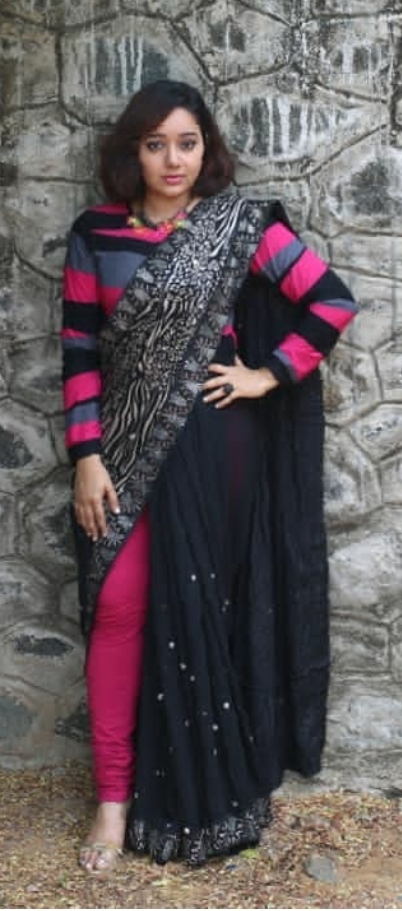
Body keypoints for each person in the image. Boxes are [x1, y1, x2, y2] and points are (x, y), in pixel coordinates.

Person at [62, 78, 358, 872]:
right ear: (132, 151)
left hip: (214, 444)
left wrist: (267, 373)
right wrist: (86, 457)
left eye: (186, 143)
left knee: (197, 603)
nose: (172, 159)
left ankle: (203, 782)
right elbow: (79, 351)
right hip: (119, 450)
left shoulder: (239, 227)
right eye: (154, 144)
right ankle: (113, 799)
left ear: (207, 150)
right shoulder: (95, 233)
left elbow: (330, 301)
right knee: (119, 605)